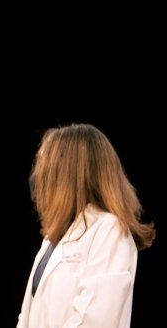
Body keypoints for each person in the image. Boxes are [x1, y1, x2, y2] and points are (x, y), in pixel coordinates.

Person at [17, 124, 155, 328]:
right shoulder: (52, 240)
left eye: (44, 164)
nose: (38, 176)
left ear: (67, 173)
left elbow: (96, 320)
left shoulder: (109, 230)